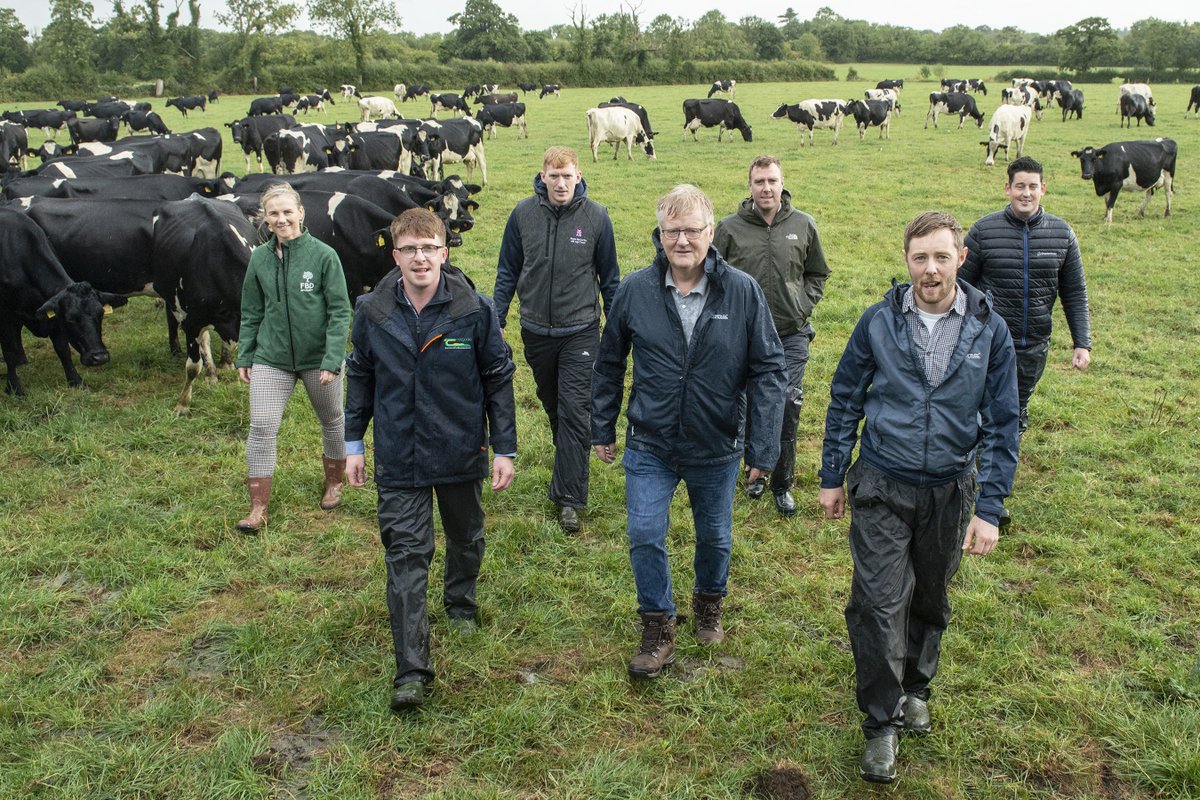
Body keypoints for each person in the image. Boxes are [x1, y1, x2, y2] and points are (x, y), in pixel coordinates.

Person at [818, 211, 1019, 783]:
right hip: (883, 481)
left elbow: (1005, 425)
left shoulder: (989, 329)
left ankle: (916, 686)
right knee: (878, 602)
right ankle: (880, 724)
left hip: (950, 489)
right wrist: (833, 475)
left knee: (930, 594)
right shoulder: (878, 322)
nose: (930, 269)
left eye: (940, 256)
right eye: (919, 258)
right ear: (906, 260)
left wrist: (989, 508)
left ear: (960, 256)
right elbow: (845, 396)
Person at [592, 184, 787, 680]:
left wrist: (763, 446)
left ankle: (708, 605)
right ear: (659, 235)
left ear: (711, 233)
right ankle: (657, 624)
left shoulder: (741, 291)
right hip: (650, 441)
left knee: (715, 537)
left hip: (717, 442)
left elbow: (768, 369)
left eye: (692, 231)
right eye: (672, 231)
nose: (682, 241)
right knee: (643, 532)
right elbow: (610, 361)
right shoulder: (634, 291)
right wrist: (602, 426)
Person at [344, 208, 516, 712]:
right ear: (395, 256)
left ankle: (460, 600)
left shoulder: (473, 310)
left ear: (444, 252)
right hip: (399, 455)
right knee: (406, 555)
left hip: (461, 448)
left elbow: (498, 378)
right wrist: (352, 443)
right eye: (410, 249)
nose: (420, 257)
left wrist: (503, 446)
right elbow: (360, 375)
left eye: (430, 247)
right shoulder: (372, 312)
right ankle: (411, 670)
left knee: (466, 536)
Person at [493, 146, 620, 533]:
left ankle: (569, 499)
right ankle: (569, 449)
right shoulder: (522, 215)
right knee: (554, 407)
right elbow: (506, 272)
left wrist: (616, 328)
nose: (561, 183)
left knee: (574, 412)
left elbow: (610, 279)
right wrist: (495, 319)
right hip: (535, 330)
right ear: (542, 176)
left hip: (580, 330)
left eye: (568, 175)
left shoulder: (597, 218)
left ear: (578, 175)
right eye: (554, 175)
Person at [714, 154, 830, 516]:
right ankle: (754, 472)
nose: (766, 188)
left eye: (772, 181)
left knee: (784, 404)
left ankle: (782, 483)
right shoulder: (730, 228)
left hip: (790, 334)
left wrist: (801, 305)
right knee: (746, 404)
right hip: (743, 336)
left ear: (782, 184)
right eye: (759, 181)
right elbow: (713, 277)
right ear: (749, 186)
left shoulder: (804, 225)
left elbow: (818, 274)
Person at [234, 183, 351, 533]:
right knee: (261, 427)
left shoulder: (323, 256)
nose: (282, 219)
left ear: (301, 212)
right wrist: (245, 354)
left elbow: (340, 311)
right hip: (273, 357)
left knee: (331, 419)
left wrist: (332, 358)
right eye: (274, 213)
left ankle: (334, 482)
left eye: (287, 212)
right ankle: (258, 507)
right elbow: (251, 311)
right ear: (265, 219)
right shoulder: (258, 258)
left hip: (319, 358)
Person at [960, 155, 1091, 439]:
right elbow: (959, 284)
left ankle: (1003, 464)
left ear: (1044, 188)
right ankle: (977, 467)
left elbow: (1074, 292)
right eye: (1020, 186)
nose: (1026, 193)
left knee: (1016, 408)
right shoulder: (983, 231)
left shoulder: (1062, 235)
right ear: (1007, 188)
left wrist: (1082, 343)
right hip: (988, 342)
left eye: (1033, 186)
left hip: (1034, 344)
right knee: (982, 408)